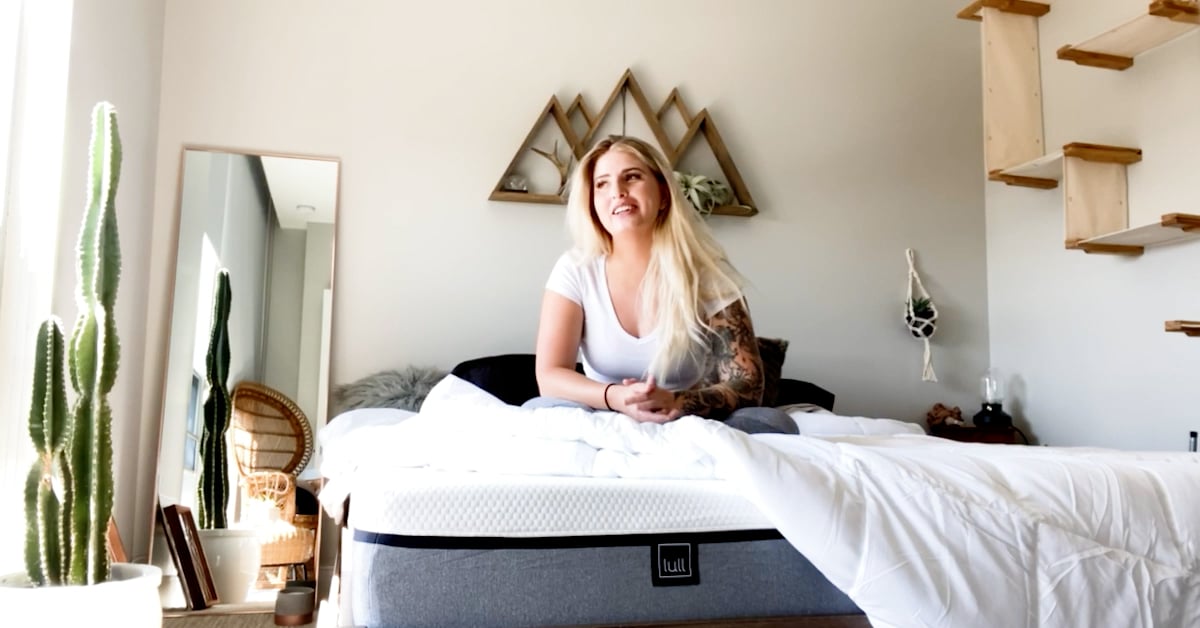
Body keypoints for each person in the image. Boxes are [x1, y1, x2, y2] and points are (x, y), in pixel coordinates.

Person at [526, 135, 796, 435]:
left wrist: (676, 401)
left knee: (774, 423)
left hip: (685, 421)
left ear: (664, 193)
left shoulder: (709, 274)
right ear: (591, 203)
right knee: (538, 413)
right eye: (602, 184)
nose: (617, 192)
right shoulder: (574, 269)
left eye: (632, 177)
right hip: (601, 418)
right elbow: (549, 375)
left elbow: (747, 384)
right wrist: (616, 396)